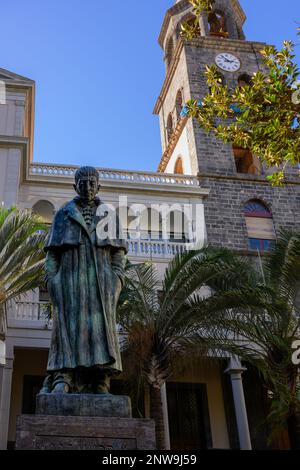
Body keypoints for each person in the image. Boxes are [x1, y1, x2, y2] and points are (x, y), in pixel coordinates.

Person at [41, 166, 127, 394]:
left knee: (100, 330)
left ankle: (100, 380)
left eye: (91, 183)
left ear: (98, 185)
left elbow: (118, 253)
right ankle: (63, 377)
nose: (87, 187)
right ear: (75, 186)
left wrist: (116, 279)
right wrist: (52, 280)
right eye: (83, 183)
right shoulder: (64, 213)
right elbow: (51, 254)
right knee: (68, 329)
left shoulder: (108, 214)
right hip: (69, 281)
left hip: (101, 283)